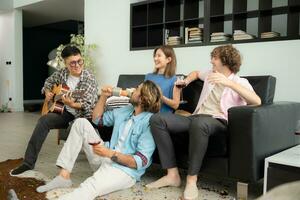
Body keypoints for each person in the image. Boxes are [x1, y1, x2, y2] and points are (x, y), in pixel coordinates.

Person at [146, 45, 262, 200]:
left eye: (215, 58)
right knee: (157, 119)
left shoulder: (240, 82)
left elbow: (257, 101)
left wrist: (229, 83)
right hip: (196, 117)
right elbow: (195, 73)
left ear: (226, 61)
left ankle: (191, 180)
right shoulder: (210, 74)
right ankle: (172, 175)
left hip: (218, 121)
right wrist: (185, 82)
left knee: (199, 124)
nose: (211, 61)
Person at [35, 80, 161, 200]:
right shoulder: (126, 110)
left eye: (137, 89)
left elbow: (140, 162)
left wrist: (110, 154)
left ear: (143, 98)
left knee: (90, 186)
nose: (133, 90)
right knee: (81, 123)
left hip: (124, 171)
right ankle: (64, 176)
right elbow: (97, 120)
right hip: (105, 156)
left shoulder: (149, 122)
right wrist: (104, 97)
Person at [11, 45, 98, 175]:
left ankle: (65, 173)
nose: (77, 65)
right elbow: (48, 82)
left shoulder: (89, 77)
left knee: (75, 127)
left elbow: (87, 104)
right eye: (72, 63)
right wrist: (47, 93)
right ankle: (28, 163)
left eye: (79, 61)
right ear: (65, 63)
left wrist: (73, 104)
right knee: (44, 121)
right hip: (66, 112)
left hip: (83, 116)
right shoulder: (62, 73)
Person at [145, 45, 180, 113]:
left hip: (162, 117)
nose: (155, 58)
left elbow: (176, 105)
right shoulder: (148, 76)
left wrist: (161, 97)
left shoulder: (174, 80)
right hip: (145, 113)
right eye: (155, 56)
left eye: (159, 56)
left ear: (168, 60)